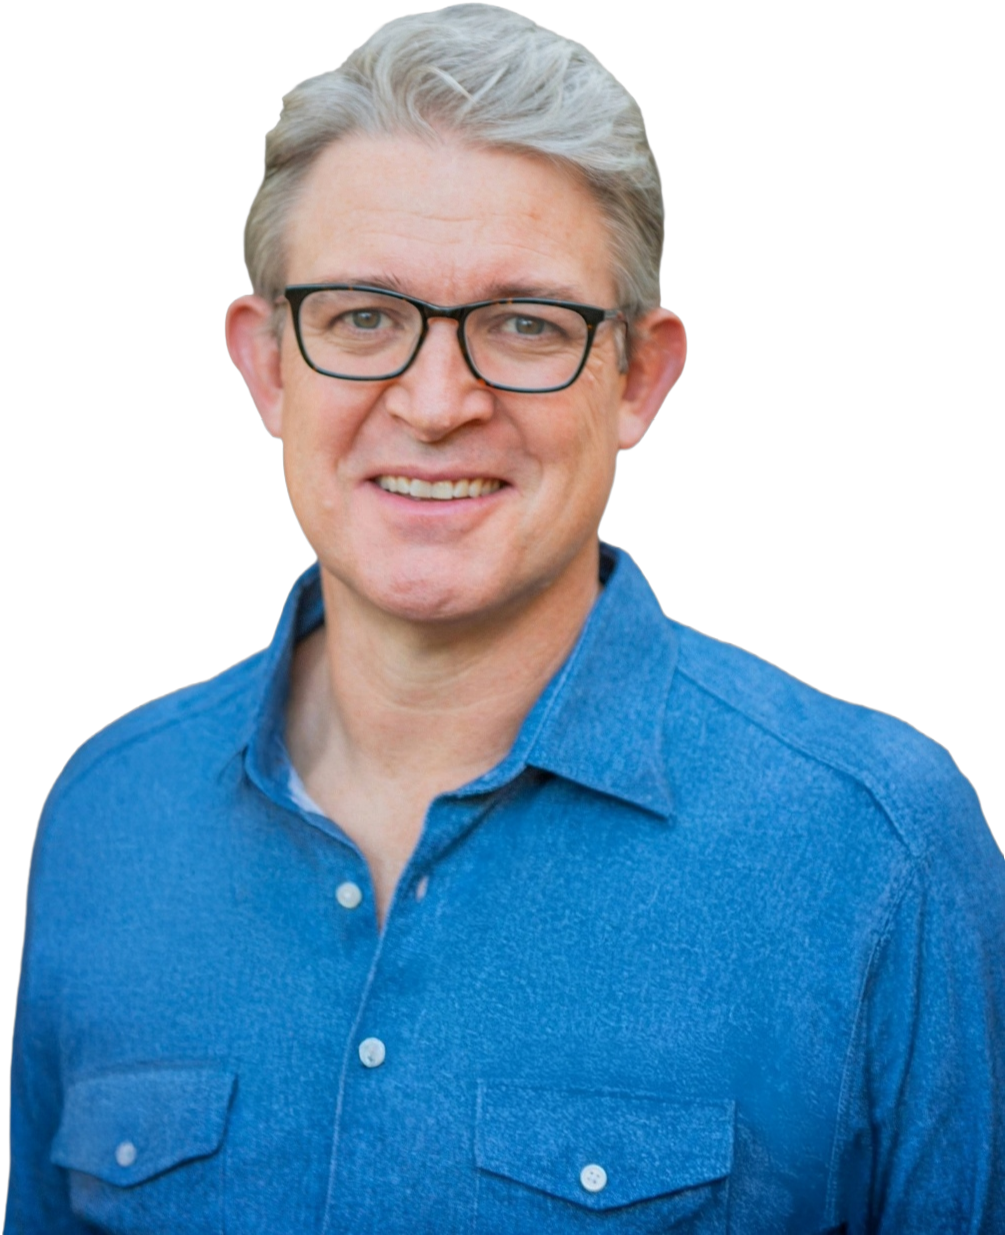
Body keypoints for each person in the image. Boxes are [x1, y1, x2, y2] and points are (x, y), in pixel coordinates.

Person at [6, 5, 1002, 1232]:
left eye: (526, 324)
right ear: (268, 367)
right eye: (363, 316)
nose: (435, 402)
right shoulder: (106, 812)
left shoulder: (882, 850)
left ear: (641, 376)